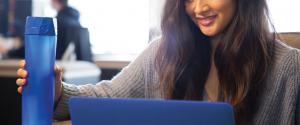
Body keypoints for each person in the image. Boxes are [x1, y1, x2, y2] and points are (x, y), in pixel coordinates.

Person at [16, 0, 300, 124]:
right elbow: (108, 97)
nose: (199, 8)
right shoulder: (161, 53)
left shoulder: (290, 68)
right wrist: (58, 92)